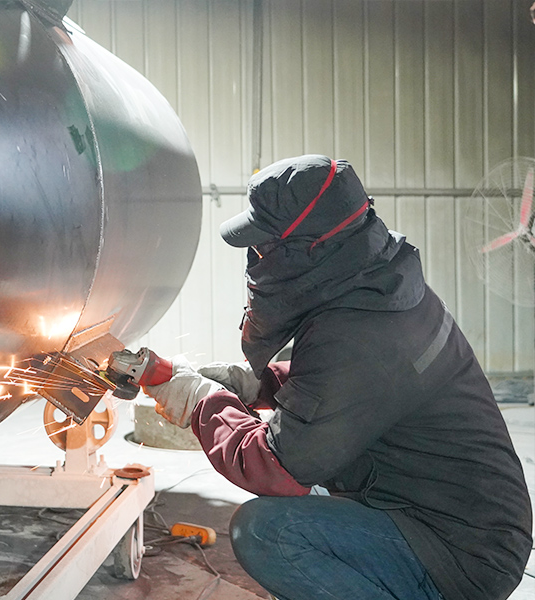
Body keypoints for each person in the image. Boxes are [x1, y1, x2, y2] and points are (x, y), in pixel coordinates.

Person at [145, 154, 532, 600]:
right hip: (455, 515)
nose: (256, 257)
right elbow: (346, 387)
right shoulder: (375, 289)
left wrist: (200, 400)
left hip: (462, 550)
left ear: (309, 248)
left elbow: (273, 468)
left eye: (264, 245)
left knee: (268, 531)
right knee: (311, 490)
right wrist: (256, 383)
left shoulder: (359, 332)